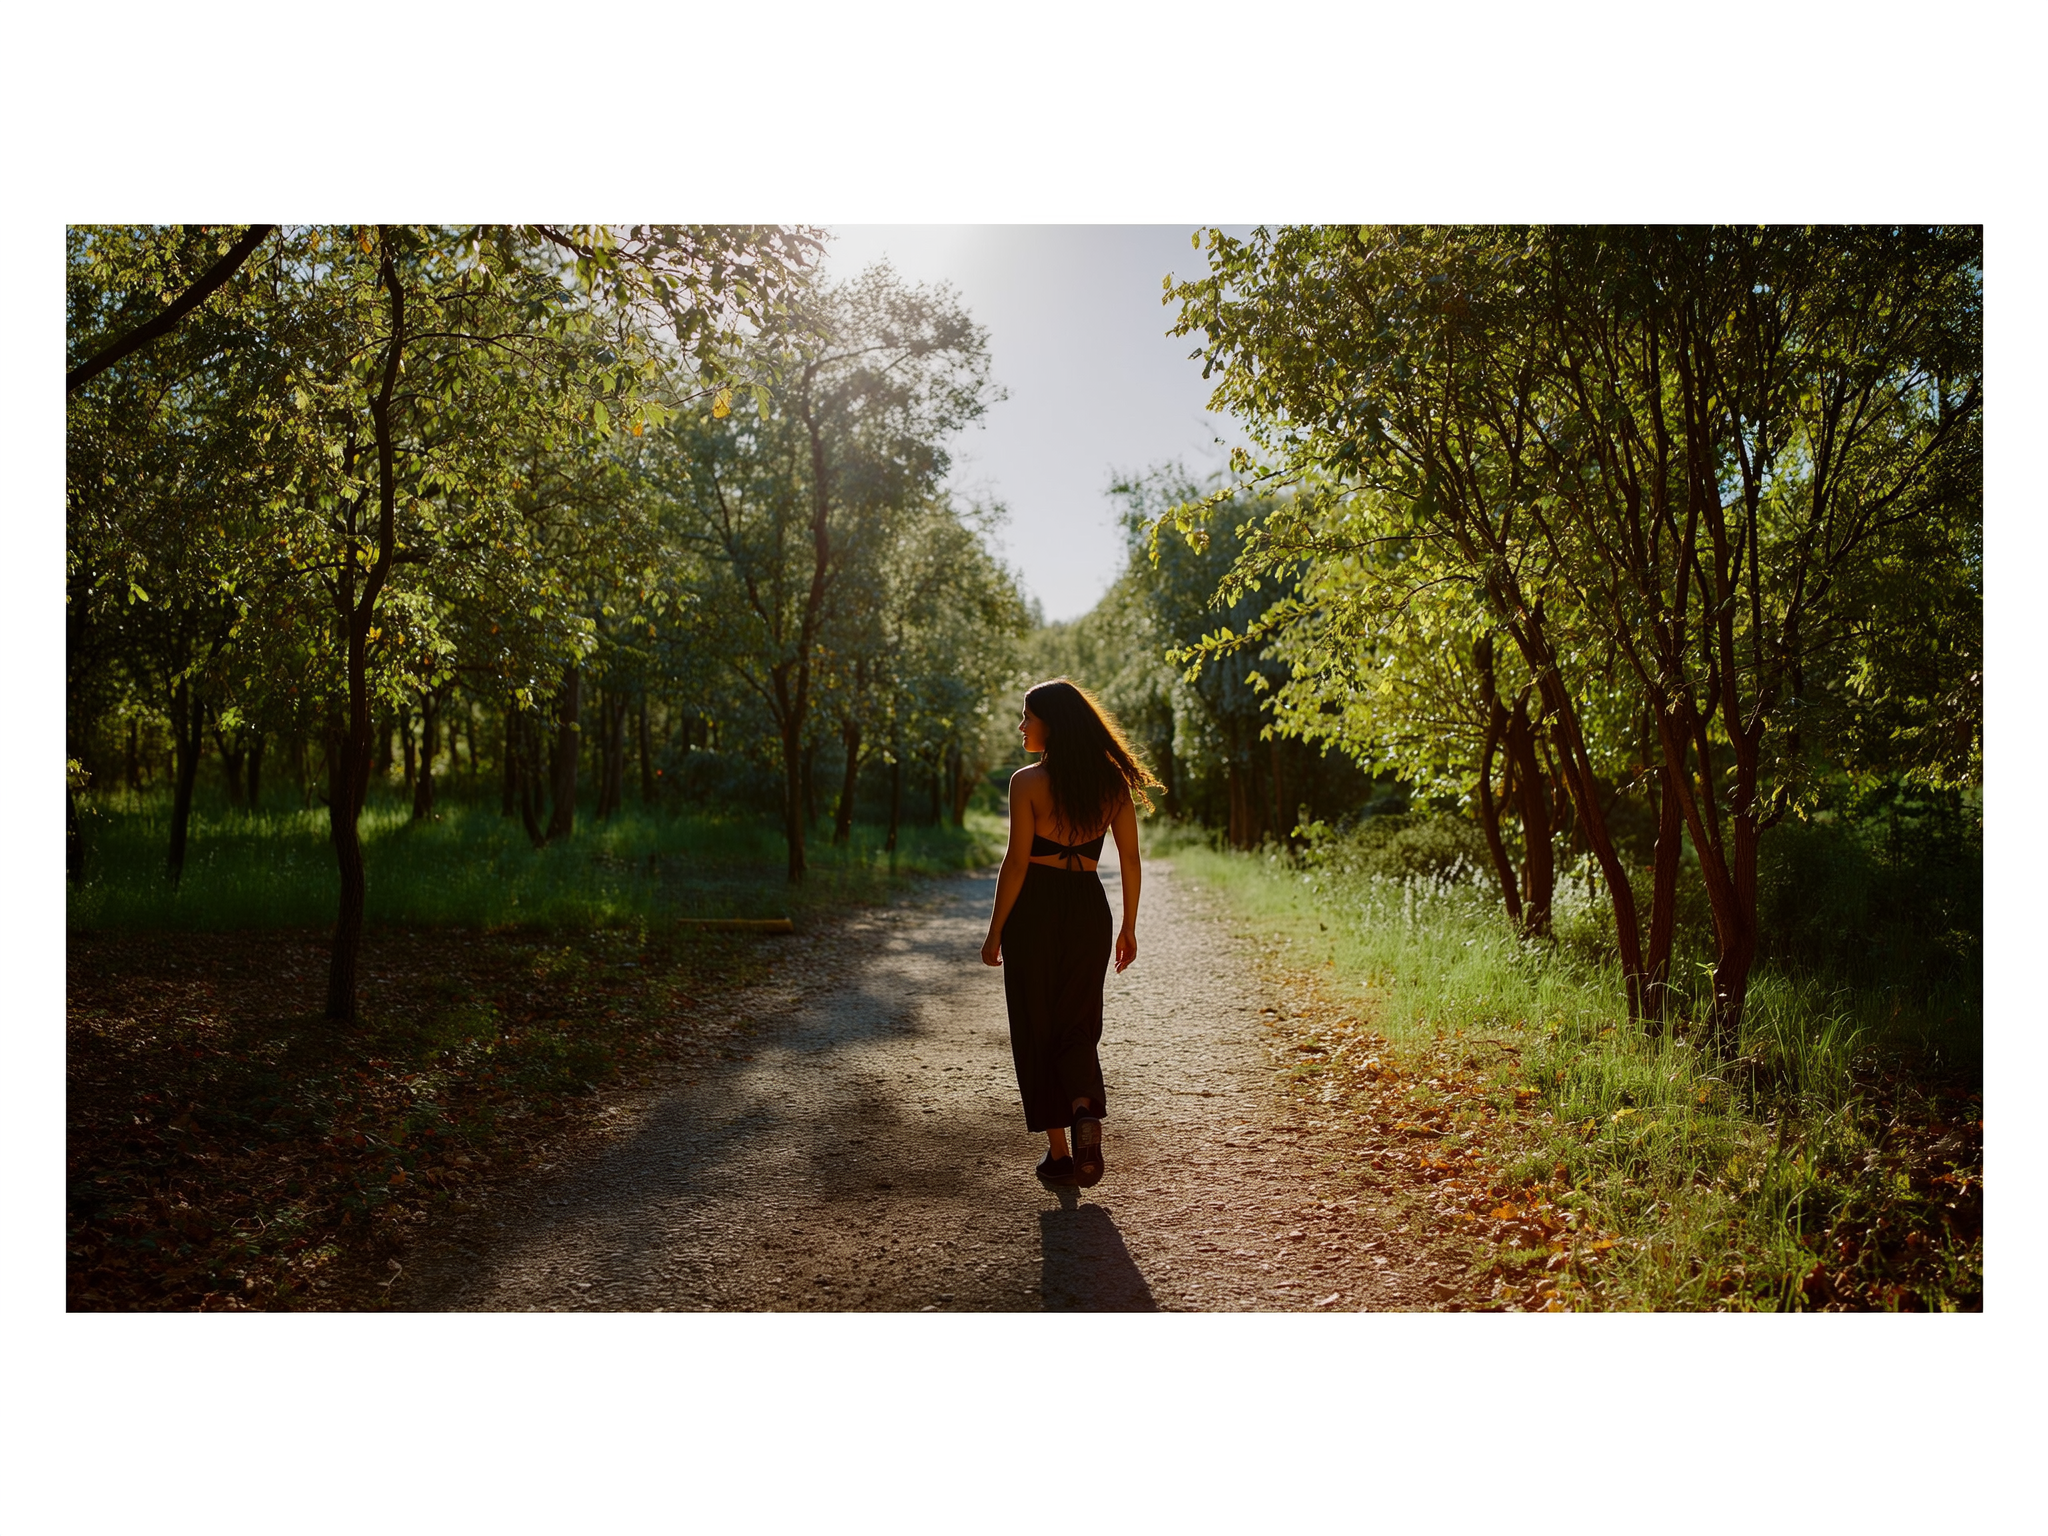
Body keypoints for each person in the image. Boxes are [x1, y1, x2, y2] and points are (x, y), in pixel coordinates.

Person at [979, 678, 1160, 1188]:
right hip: (1088, 910)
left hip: (1034, 910)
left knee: (1036, 1026)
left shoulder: (1026, 783)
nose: (1021, 727)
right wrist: (1128, 927)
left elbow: (1016, 863)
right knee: (1076, 1023)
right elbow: (1130, 858)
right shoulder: (1111, 785)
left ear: (1051, 725)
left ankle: (1060, 1154)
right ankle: (1085, 1109)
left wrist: (995, 933)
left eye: (1027, 717)